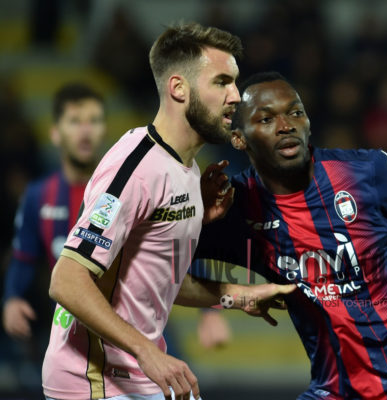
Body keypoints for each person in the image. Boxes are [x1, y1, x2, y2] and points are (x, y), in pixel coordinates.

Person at [194, 71, 387, 399]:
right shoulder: (236, 206)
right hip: (338, 389)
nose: (286, 125)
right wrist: (223, 285)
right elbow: (171, 269)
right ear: (239, 139)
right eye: (266, 119)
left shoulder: (370, 172)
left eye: (296, 112)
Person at [41, 24, 294, 400]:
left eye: (235, 83)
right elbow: (66, 280)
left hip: (137, 373)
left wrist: (240, 296)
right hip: (95, 380)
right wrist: (146, 352)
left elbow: (157, 281)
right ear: (179, 88)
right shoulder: (136, 167)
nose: (236, 96)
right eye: (222, 82)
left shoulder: (188, 170)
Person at [1, 83, 105, 391]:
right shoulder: (38, 195)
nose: (85, 131)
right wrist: (12, 298)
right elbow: (23, 257)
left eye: (94, 121)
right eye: (75, 121)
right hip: (61, 332)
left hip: (122, 334)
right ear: (56, 133)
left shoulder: (127, 191)